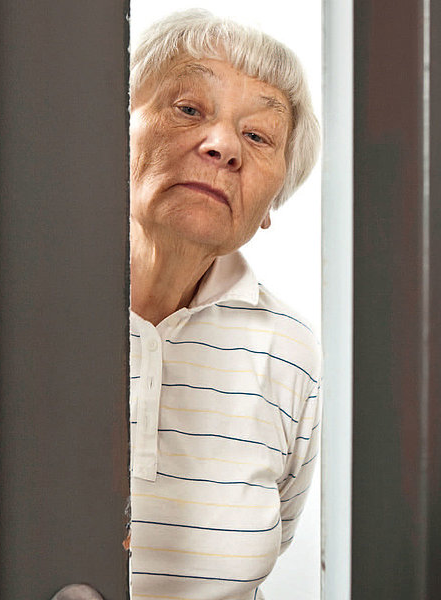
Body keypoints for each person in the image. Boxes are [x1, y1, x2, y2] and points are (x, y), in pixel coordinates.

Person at [127, 9, 321, 600]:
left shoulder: (288, 348)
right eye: (189, 109)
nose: (223, 145)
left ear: (270, 205)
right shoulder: (15, 301)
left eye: (258, 135)